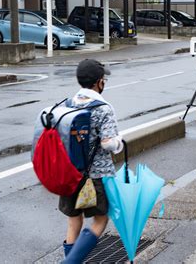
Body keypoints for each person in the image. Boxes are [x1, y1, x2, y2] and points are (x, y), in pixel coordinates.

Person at [61, 59, 124, 263]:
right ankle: (70, 262)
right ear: (99, 82)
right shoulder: (103, 108)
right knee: (101, 218)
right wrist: (119, 142)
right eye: (103, 79)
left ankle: (70, 258)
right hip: (96, 175)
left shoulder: (67, 104)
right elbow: (107, 143)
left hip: (70, 173)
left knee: (74, 219)